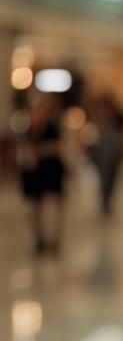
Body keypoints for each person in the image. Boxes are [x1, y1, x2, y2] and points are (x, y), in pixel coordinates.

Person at [18, 94, 66, 253]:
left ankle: (55, 239)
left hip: (51, 169)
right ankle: (39, 239)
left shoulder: (54, 126)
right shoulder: (28, 128)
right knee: (35, 206)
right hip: (36, 170)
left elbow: (60, 146)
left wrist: (43, 150)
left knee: (55, 204)